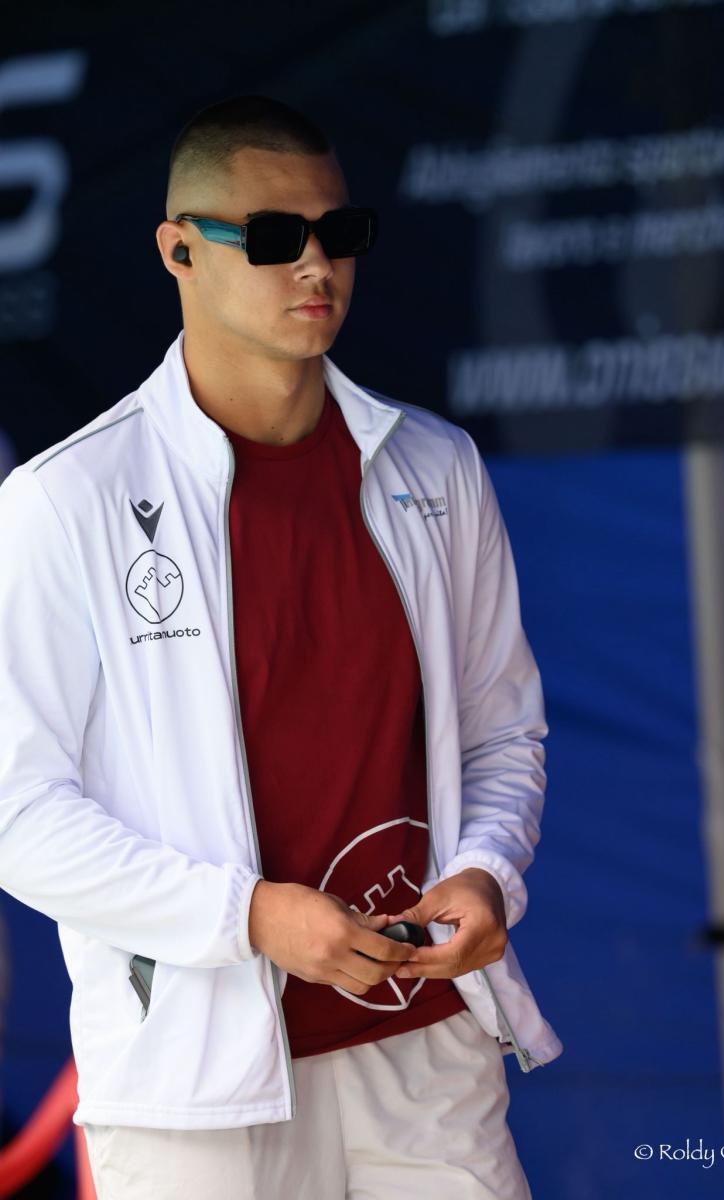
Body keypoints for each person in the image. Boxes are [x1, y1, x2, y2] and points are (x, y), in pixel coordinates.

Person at [0, 94, 562, 1197]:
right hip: (196, 1088)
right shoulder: (63, 502)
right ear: (177, 250)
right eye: (271, 236)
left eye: (336, 232)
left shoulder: (437, 467)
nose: (315, 264)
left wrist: (488, 874)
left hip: (425, 1045)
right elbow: (17, 817)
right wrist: (248, 917)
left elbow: (503, 735)